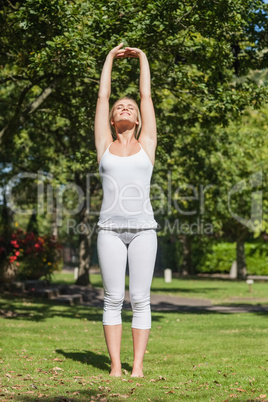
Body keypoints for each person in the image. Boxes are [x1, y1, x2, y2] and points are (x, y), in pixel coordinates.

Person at [94, 43, 158, 378]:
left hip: (144, 230)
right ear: (112, 118)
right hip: (109, 232)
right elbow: (102, 97)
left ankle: (137, 367)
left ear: (137, 118)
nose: (124, 108)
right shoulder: (104, 145)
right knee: (113, 298)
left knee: (141, 299)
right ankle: (116, 367)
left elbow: (146, 97)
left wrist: (141, 58)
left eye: (129, 107)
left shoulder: (146, 145)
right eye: (119, 107)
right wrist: (109, 59)